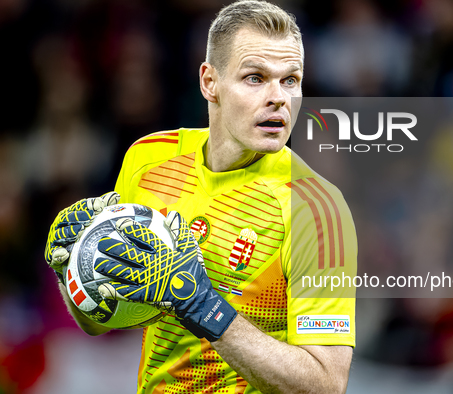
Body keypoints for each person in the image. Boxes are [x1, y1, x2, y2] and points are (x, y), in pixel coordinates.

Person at [44, 1, 357, 393]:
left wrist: (201, 306)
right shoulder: (149, 157)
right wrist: (74, 269)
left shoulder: (316, 209)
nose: (279, 97)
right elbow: (102, 319)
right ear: (210, 82)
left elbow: (326, 384)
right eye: (256, 78)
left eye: (290, 80)